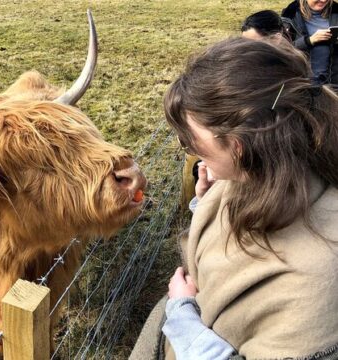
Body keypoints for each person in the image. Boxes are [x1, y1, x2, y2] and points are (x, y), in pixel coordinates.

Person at [130, 37, 338, 360]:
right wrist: (206, 208)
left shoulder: (319, 279)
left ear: (240, 146)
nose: (190, 151)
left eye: (194, 142)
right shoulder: (263, 172)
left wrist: (183, 314)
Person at [282, 0, 338, 85]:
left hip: (334, 84)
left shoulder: (336, 12)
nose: (323, 0)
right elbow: (282, 50)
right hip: (303, 84)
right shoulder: (290, 16)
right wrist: (309, 41)